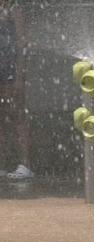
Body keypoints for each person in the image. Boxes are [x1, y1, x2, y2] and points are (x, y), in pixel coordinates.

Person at [0, 0, 32, 179]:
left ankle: (25, 164)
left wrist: (20, 76)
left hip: (10, 70)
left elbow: (22, 44)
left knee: (18, 114)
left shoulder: (15, 8)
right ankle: (1, 164)